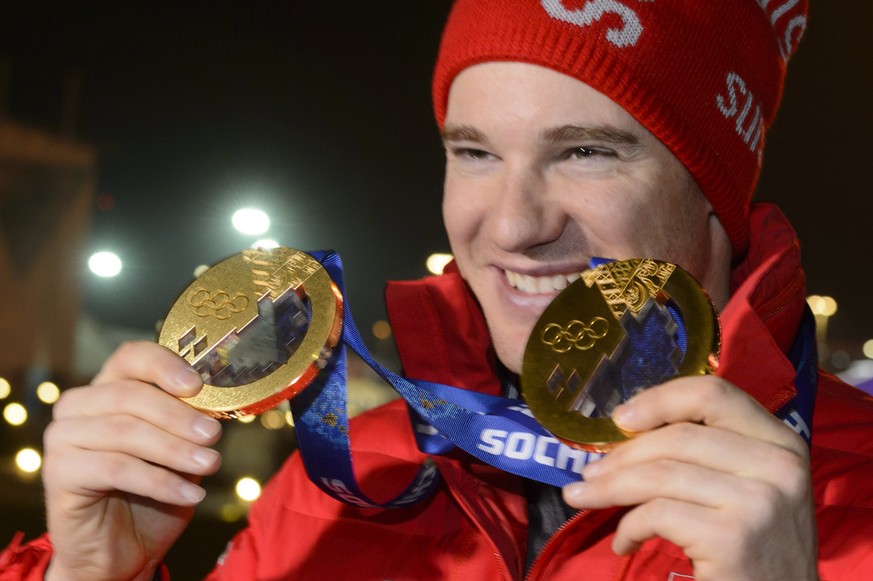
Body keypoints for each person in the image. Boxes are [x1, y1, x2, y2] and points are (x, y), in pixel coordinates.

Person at [3, 1, 872, 579]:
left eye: (586, 151)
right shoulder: (342, 481)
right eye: (475, 151)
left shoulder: (849, 494)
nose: (511, 224)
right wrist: (90, 574)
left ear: (711, 194)